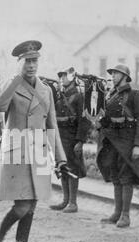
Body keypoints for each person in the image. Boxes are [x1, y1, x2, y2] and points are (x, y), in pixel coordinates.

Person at [0, 41, 67, 242]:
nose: (31, 65)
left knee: (31, 207)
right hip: (17, 152)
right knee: (22, 206)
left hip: (39, 153)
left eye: (35, 61)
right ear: (19, 62)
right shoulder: (9, 85)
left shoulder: (46, 90)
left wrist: (60, 158)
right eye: (27, 61)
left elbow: (51, 126)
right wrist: (15, 79)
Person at [97, 64, 139, 228]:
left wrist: (138, 145)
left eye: (116, 73)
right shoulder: (111, 95)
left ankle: (125, 215)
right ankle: (117, 213)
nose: (112, 76)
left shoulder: (134, 95)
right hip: (112, 140)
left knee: (126, 178)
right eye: (112, 73)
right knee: (115, 177)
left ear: (125, 76)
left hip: (127, 141)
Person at [49, 67, 91, 213]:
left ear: (72, 78)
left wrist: (80, 141)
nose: (61, 80)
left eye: (64, 77)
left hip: (72, 136)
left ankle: (73, 202)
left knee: (73, 168)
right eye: (60, 77)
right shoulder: (60, 96)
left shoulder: (79, 97)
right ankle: (65, 200)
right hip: (60, 135)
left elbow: (84, 121)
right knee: (62, 167)